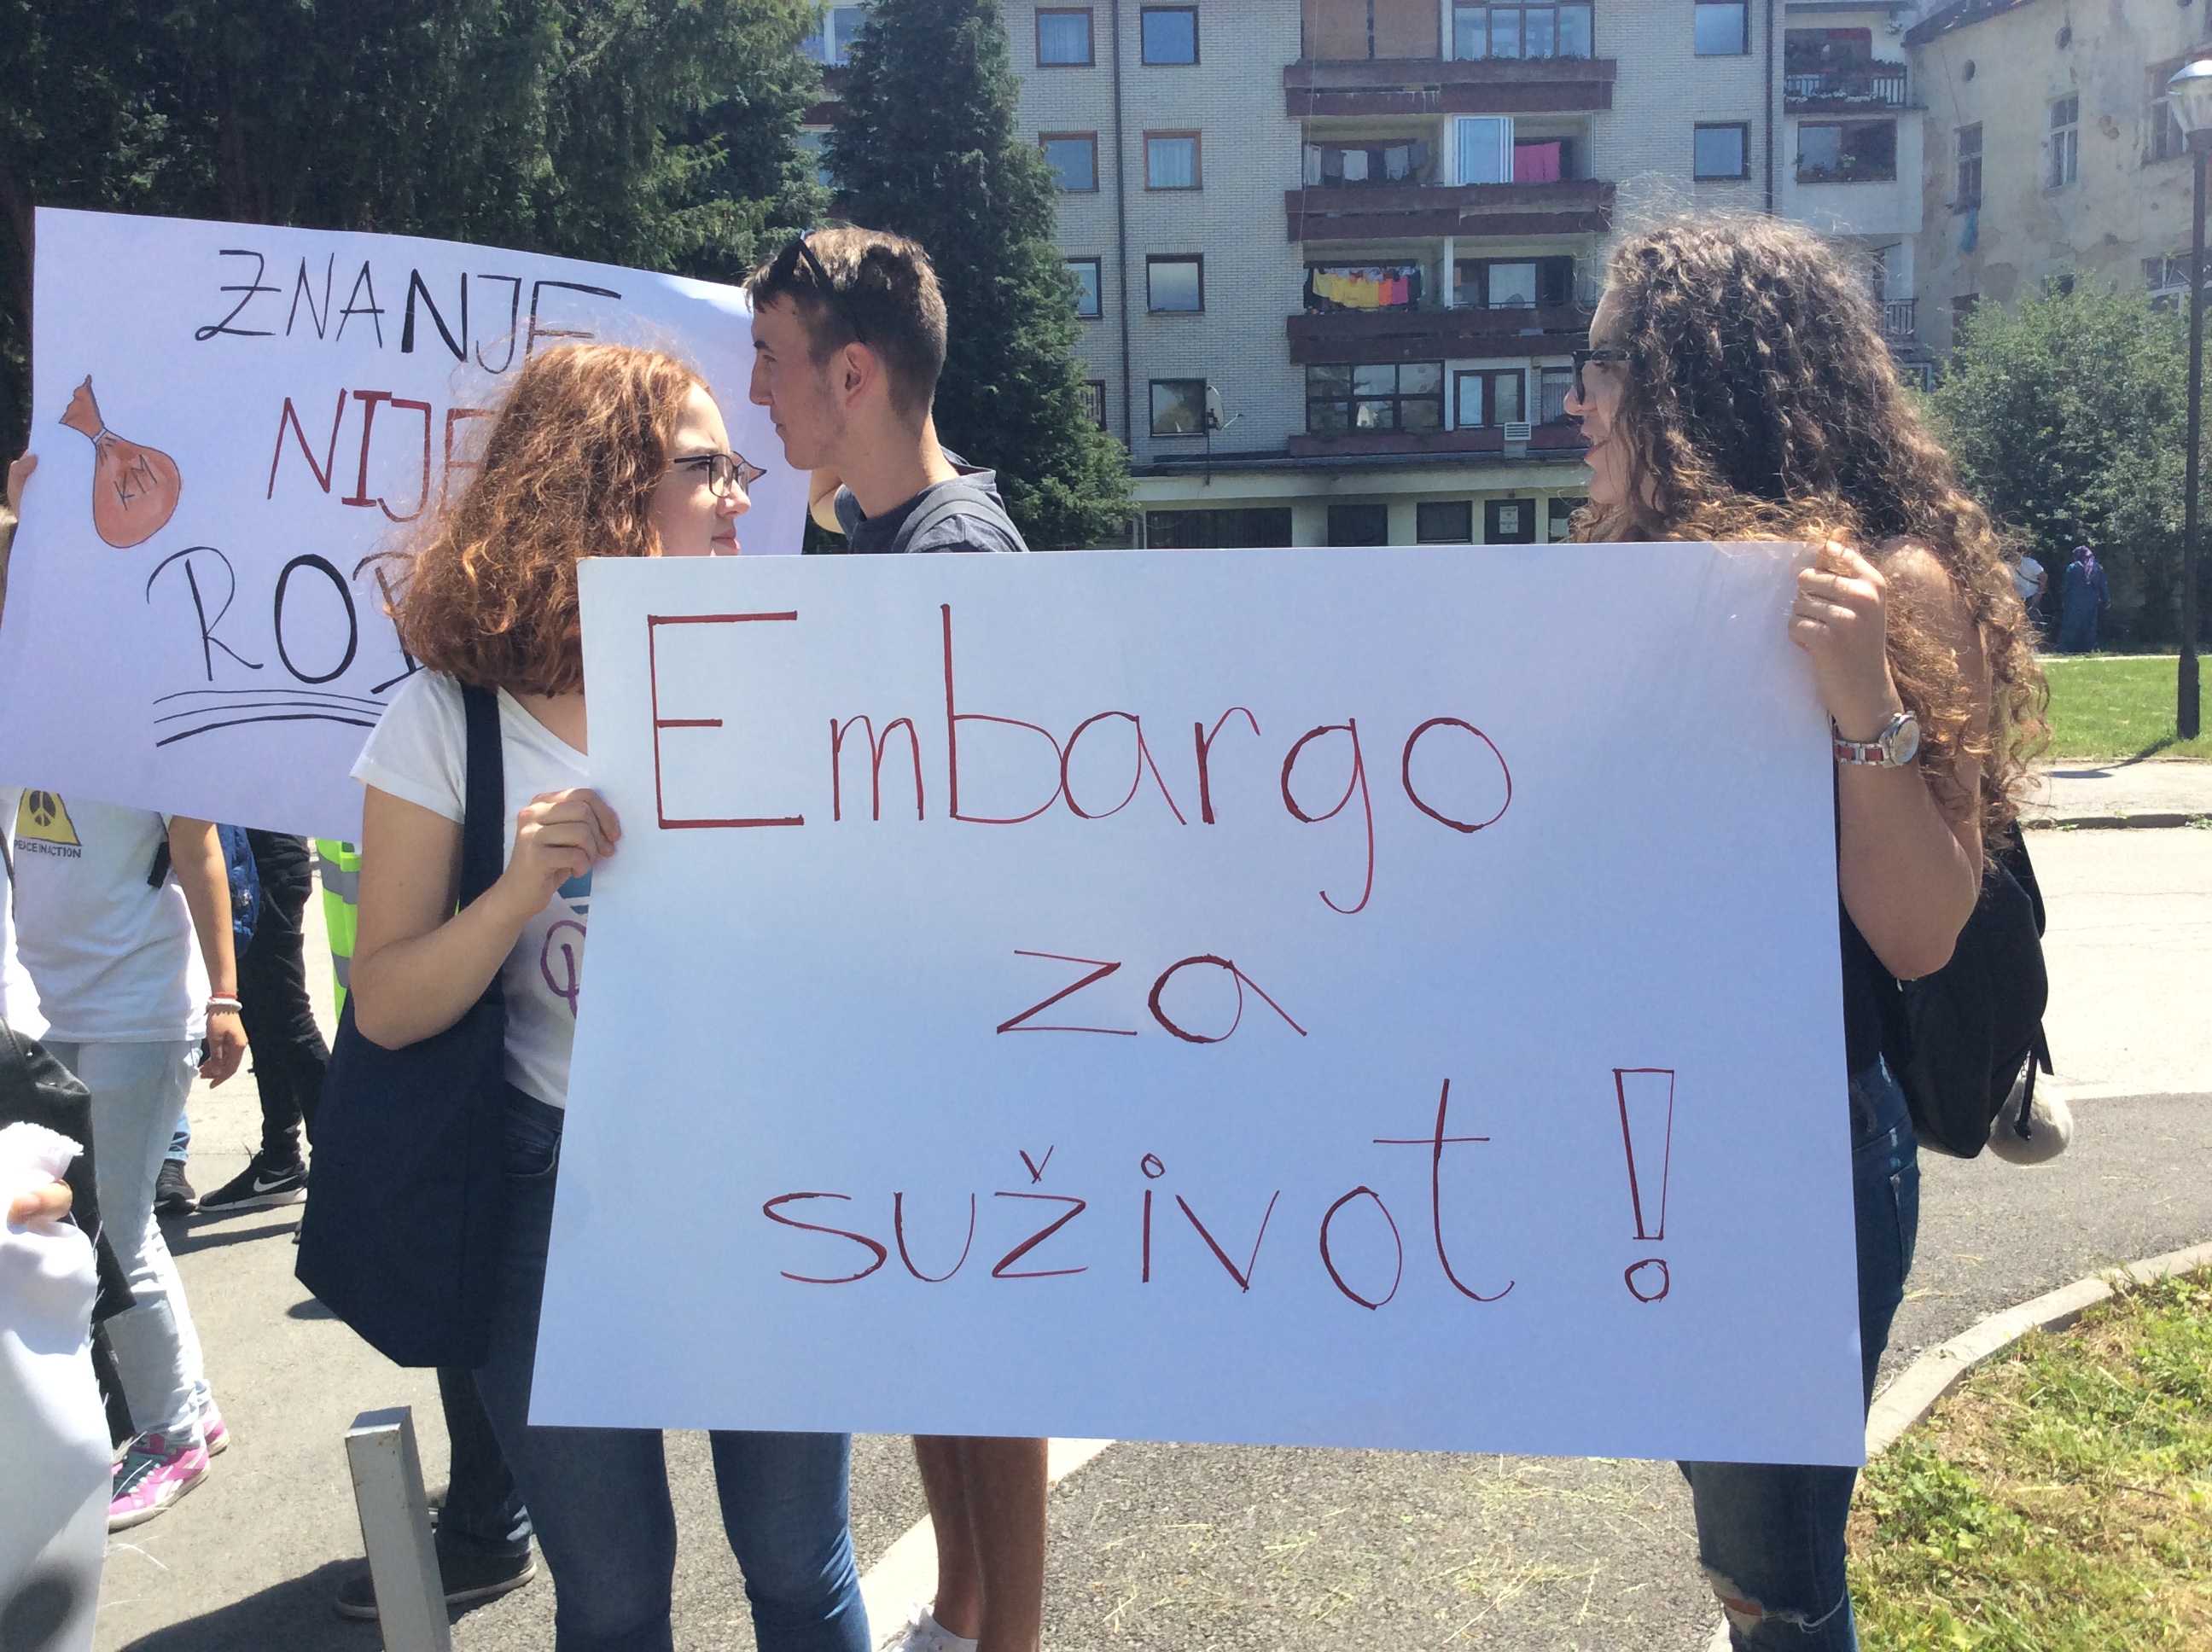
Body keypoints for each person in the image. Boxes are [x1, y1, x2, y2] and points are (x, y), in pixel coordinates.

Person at [1561, 216, 2044, 1650]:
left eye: (1604, 362)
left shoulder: (1886, 589)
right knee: (1741, 1551)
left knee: (1770, 1576)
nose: (1577, 400)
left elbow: (1920, 930)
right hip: (1661, 1136)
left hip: (1802, 1151)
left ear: (1695, 382)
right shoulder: (1645, 593)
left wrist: (1861, 703)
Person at [351, 340, 866, 1652]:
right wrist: (515, 892)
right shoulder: (449, 722)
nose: (742, 496)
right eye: (706, 467)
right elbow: (388, 1006)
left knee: (797, 1566)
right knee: (617, 1590)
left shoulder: (786, 679)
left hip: (764, 1172)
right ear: (597, 484)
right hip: (545, 1191)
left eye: (739, 467)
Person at [747, 227, 1037, 1652]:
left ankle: (1002, 1633)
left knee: (985, 1352)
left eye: (771, 361)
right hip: (917, 1032)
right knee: (935, 1337)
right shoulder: (892, 536)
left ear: (852, 373)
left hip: (963, 1038)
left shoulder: (952, 556)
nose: (755, 393)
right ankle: (963, 1613)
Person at [196, 830, 328, 1212]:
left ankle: (345, 1175)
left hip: (260, 863)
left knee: (287, 1020)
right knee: (263, 1019)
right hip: (250, 856)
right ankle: (280, 1162)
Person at [2058, 543, 2110, 653]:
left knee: (2070, 624)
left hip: (2073, 600)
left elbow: (2066, 585)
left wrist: (2063, 598)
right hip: (2091, 601)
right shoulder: (2097, 568)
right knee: (2089, 625)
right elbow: (2103, 585)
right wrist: (2107, 601)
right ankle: (2088, 648)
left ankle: (2066, 647)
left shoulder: (2073, 567)